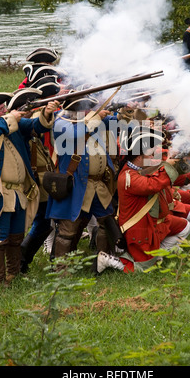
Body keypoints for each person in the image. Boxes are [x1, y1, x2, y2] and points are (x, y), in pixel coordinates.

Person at [0, 90, 58, 285]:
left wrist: (47, 112)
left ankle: (14, 274)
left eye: (5, 108)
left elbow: (37, 126)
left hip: (18, 192)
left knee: (16, 236)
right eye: (0, 109)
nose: (4, 110)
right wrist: (10, 117)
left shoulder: (14, 124)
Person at [94, 125, 190, 274]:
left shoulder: (139, 167)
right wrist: (170, 165)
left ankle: (158, 254)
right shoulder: (128, 177)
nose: (153, 158)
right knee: (143, 269)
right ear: (139, 157)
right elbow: (153, 185)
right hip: (140, 229)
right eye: (150, 155)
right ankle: (110, 261)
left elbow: (161, 171)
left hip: (153, 222)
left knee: (183, 226)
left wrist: (183, 159)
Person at [45, 92, 120, 260]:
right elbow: (75, 133)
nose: (91, 110)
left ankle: (104, 260)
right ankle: (61, 268)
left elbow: (116, 123)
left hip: (97, 185)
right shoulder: (61, 124)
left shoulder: (90, 122)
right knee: (67, 230)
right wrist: (96, 117)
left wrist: (121, 110)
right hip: (76, 185)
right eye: (88, 108)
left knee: (106, 222)